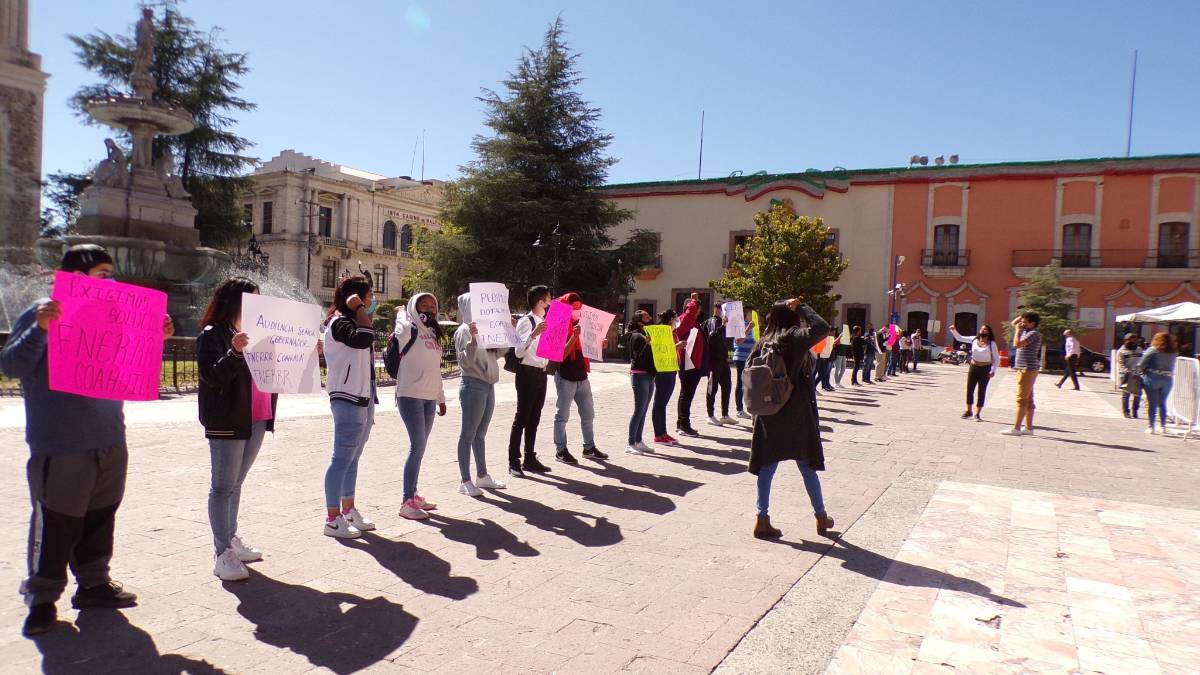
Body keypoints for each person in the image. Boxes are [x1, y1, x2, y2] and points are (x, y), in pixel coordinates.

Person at [1, 244, 174, 636]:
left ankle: (94, 584)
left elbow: (130, 365)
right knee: (56, 524)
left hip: (110, 439)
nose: (109, 281)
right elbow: (10, 366)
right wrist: (40, 330)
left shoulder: (111, 315)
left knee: (100, 517)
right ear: (75, 277)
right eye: (100, 273)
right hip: (61, 443)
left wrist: (154, 337)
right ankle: (42, 600)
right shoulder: (46, 310)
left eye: (110, 272)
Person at [197, 278, 276, 582]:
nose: (256, 306)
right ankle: (221, 553)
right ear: (234, 302)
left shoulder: (260, 333)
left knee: (237, 482)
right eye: (250, 300)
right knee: (222, 486)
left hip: (256, 416)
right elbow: (211, 377)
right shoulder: (212, 335)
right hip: (228, 420)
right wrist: (234, 353)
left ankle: (230, 540)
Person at [748, 299, 834, 539]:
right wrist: (803, 306)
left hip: (768, 412)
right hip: (796, 413)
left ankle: (761, 519)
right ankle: (820, 517)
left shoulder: (764, 342)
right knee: (807, 467)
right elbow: (822, 328)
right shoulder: (794, 338)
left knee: (767, 467)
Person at [321, 276, 381, 538]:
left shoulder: (354, 320)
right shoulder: (340, 323)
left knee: (353, 457)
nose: (370, 301)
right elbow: (364, 338)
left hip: (363, 396)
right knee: (341, 457)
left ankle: (348, 509)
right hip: (346, 396)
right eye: (367, 297)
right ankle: (332, 519)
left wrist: (361, 312)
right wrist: (358, 309)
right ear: (354, 297)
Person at [395, 292, 448, 520]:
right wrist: (401, 315)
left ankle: (414, 495)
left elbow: (435, 368)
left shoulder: (434, 332)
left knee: (421, 447)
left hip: (429, 397)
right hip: (410, 394)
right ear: (414, 308)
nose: (427, 309)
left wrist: (441, 397)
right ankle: (406, 502)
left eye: (431, 305)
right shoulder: (409, 327)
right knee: (417, 446)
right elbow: (401, 334)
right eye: (422, 305)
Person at [453, 293, 510, 496]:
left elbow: (498, 353)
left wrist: (506, 332)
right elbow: (464, 362)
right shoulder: (463, 330)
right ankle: (465, 480)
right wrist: (473, 341)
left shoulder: (487, 329)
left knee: (480, 434)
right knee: (467, 435)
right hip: (472, 384)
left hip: (488, 385)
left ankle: (482, 476)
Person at [553, 292, 608, 462]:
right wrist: (575, 336)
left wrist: (600, 344)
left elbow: (589, 349)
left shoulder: (583, 323)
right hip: (565, 376)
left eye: (578, 306)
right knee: (562, 416)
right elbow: (561, 354)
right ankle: (561, 450)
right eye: (573, 306)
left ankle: (589, 448)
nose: (577, 309)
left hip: (582, 376)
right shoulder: (559, 324)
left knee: (588, 415)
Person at [508, 285, 553, 478]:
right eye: (548, 300)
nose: (550, 303)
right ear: (540, 302)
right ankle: (513, 462)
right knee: (522, 418)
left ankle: (529, 457)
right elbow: (518, 351)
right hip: (527, 373)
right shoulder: (527, 321)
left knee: (534, 418)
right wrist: (534, 333)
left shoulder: (545, 321)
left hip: (541, 373)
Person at [1002, 312, 1042, 436]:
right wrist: (1023, 314)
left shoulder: (1033, 333)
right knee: (1029, 399)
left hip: (1027, 369)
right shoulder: (1026, 329)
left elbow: (1017, 344)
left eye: (1025, 321)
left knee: (1021, 400)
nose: (1022, 323)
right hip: (1024, 368)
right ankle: (1029, 428)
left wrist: (1017, 331)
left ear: (1032, 323)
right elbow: (1014, 323)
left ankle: (1016, 428)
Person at [949, 324, 999, 421]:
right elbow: (960, 338)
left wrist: (993, 370)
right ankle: (969, 411)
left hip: (985, 369)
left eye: (985, 329)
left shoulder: (992, 344)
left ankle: (978, 413)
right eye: (982, 328)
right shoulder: (974, 340)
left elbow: (996, 359)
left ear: (988, 332)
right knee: (970, 389)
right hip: (973, 367)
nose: (983, 330)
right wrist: (953, 330)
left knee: (982, 391)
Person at [675, 293, 707, 436]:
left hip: (693, 364)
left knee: (686, 394)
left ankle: (681, 423)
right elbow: (688, 315)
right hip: (688, 364)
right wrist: (694, 301)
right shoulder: (685, 320)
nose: (698, 311)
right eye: (696, 309)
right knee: (686, 395)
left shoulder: (693, 322)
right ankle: (684, 425)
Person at [625, 310, 657, 455]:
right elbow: (637, 357)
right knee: (639, 409)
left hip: (649, 375)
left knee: (644, 410)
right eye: (646, 316)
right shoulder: (636, 336)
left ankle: (639, 440)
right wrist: (647, 344)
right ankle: (630, 443)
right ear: (639, 320)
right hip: (639, 375)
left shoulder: (646, 334)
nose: (649, 317)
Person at [652, 309, 684, 445]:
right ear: (671, 319)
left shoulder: (672, 332)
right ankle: (658, 435)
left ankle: (663, 432)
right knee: (659, 402)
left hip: (672, 368)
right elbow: (660, 350)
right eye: (676, 318)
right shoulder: (662, 331)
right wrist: (677, 346)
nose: (677, 321)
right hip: (663, 370)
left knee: (663, 403)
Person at [1140, 332, 1178, 435]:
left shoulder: (1153, 350)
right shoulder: (1173, 352)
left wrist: (1141, 371)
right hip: (1167, 379)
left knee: (1152, 403)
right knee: (1163, 403)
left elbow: (1142, 363)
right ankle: (1162, 426)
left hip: (1153, 377)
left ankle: (1151, 426)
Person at [704, 302, 735, 426]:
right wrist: (723, 326)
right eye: (721, 310)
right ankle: (710, 415)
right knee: (713, 388)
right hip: (713, 360)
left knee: (727, 386)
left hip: (723, 360)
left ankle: (725, 415)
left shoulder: (725, 323)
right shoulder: (712, 321)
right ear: (716, 310)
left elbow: (727, 341)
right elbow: (711, 338)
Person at [733, 310, 757, 417]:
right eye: (750, 314)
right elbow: (738, 341)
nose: (752, 316)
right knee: (740, 383)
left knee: (749, 384)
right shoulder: (740, 326)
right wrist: (748, 329)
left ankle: (750, 406)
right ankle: (739, 409)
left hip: (750, 358)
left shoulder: (753, 326)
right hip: (741, 358)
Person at [1117, 333, 1144, 419]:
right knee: (1126, 394)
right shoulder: (1121, 351)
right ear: (1125, 341)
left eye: (1134, 340)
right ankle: (1126, 412)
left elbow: (1142, 361)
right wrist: (1127, 372)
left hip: (1138, 375)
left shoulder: (1139, 350)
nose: (1133, 342)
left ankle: (1135, 411)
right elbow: (1121, 364)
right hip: (1126, 375)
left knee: (1138, 394)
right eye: (1130, 340)